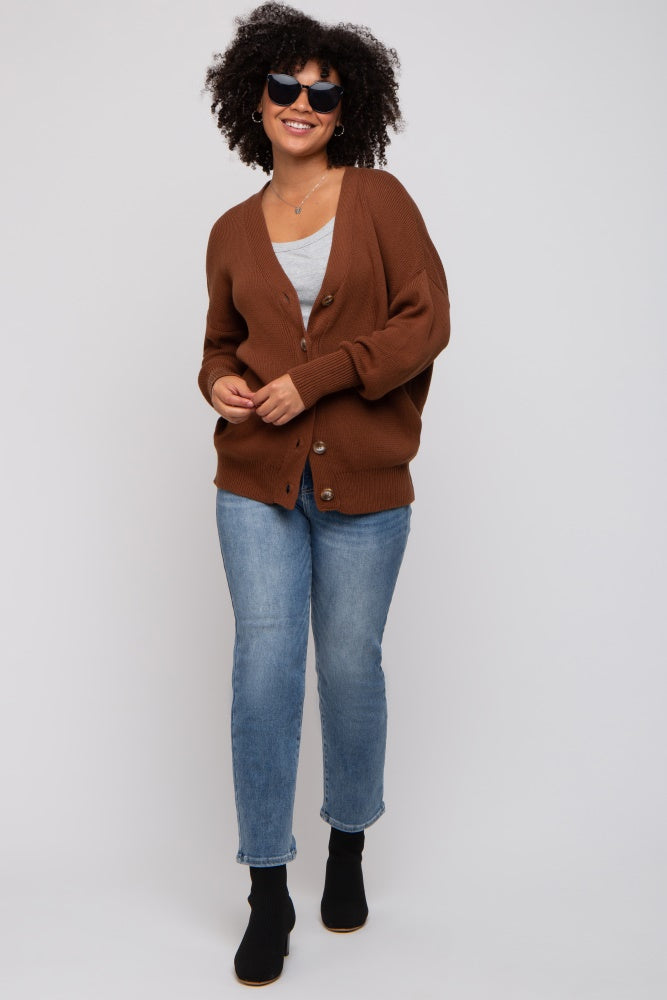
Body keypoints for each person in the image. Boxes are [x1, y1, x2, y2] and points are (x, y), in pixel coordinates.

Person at [199, 2, 450, 986]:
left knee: (349, 667)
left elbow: (424, 322)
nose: (300, 103)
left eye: (323, 92)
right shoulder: (229, 230)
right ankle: (267, 888)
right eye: (283, 87)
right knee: (264, 672)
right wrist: (219, 382)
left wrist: (318, 377)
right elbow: (220, 345)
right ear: (254, 100)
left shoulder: (379, 200)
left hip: (366, 484)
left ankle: (348, 842)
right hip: (254, 481)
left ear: (348, 108)